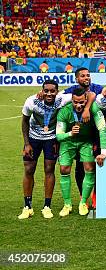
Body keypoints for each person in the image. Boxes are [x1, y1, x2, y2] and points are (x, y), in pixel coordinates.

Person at [18, 80, 72, 219]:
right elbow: (24, 121)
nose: (49, 93)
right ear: (42, 91)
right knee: (29, 169)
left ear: (57, 91)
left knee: (49, 169)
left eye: (52, 91)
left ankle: (47, 206)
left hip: (51, 139)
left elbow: (85, 94)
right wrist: (26, 143)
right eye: (46, 91)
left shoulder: (62, 99)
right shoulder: (31, 101)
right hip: (33, 139)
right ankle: (27, 206)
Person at [55, 87, 106, 217]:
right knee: (64, 169)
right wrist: (70, 133)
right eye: (75, 102)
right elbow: (58, 136)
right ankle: (67, 204)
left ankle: (83, 202)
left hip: (86, 142)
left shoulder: (94, 108)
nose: (78, 105)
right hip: (68, 142)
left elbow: (102, 130)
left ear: (86, 100)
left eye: (81, 102)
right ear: (71, 100)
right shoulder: (64, 111)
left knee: (89, 168)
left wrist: (103, 152)